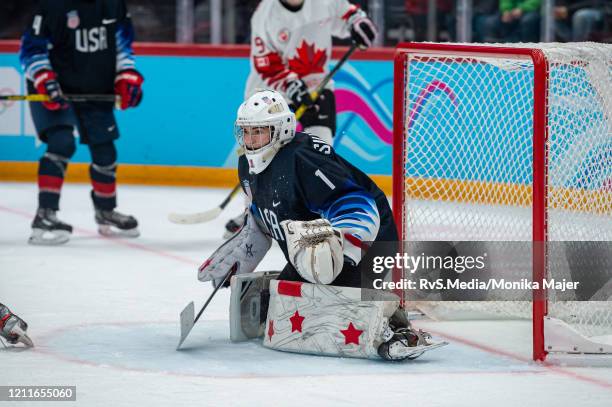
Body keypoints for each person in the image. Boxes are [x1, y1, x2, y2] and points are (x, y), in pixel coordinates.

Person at [198, 89, 445, 361]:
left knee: (330, 316)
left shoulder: (302, 158)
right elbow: (261, 218)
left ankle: (394, 326)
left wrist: (342, 254)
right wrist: (243, 251)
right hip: (314, 254)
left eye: (259, 132)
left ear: (281, 130)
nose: (251, 141)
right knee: (281, 311)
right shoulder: (247, 165)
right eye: (246, 132)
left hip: (368, 244)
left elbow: (358, 206)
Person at [225, 0, 377, 238]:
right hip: (271, 91)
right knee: (260, 153)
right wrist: (290, 83)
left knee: (320, 149)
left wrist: (359, 24)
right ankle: (253, 214)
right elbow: (266, 63)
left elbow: (348, 16)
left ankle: (316, 210)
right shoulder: (266, 15)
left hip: (316, 82)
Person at [20, 0, 144, 245]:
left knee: (105, 151)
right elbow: (32, 49)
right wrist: (44, 78)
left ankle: (105, 212)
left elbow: (123, 45)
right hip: (54, 89)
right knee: (61, 143)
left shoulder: (113, 5)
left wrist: (126, 74)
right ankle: (45, 215)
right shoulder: (51, 7)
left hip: (95, 86)